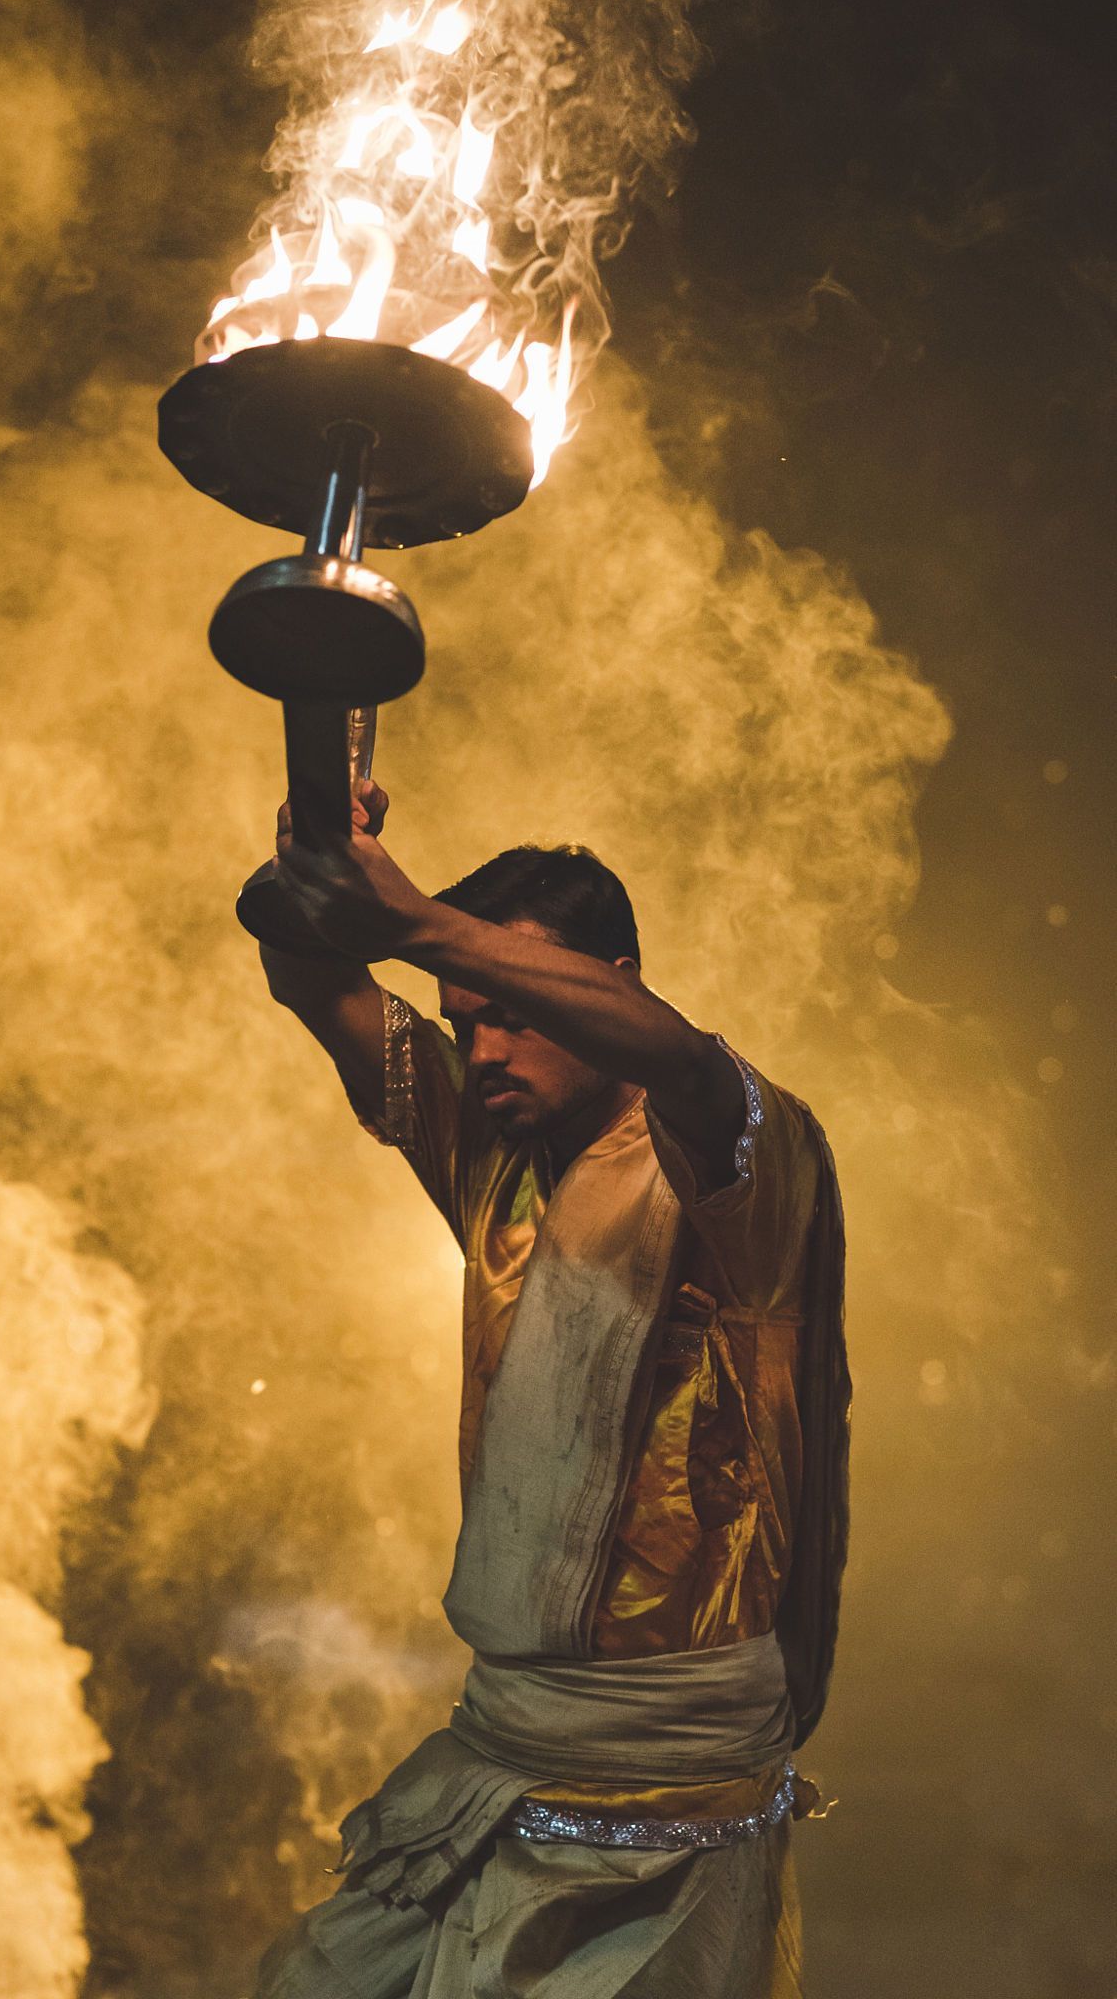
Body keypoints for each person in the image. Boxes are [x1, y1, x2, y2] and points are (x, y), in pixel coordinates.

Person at [252, 778, 850, 1999]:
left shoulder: (751, 1163)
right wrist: (317, 857)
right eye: (464, 1021)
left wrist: (414, 919)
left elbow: (677, 1052)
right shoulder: (493, 1155)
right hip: (503, 1741)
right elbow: (311, 972)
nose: (484, 1048)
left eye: (514, 1010)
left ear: (613, 980)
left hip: (666, 1786)